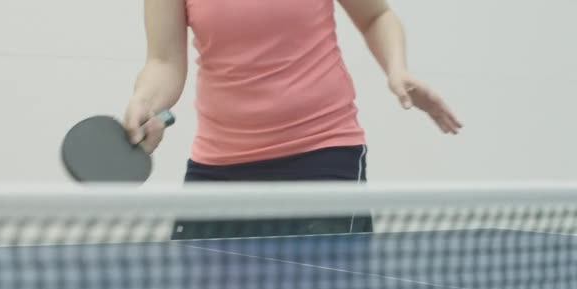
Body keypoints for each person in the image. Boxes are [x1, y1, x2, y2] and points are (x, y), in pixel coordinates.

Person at [123, 0, 462, 239]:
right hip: (219, 171)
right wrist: (146, 102)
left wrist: (397, 68)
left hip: (321, 159)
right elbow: (164, 61)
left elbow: (376, 16)